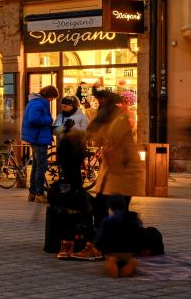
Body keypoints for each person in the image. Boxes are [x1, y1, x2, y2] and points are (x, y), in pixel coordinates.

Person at [45, 128, 101, 259]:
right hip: (73, 187)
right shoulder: (72, 156)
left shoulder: (59, 188)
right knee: (84, 206)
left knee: (76, 204)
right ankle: (85, 242)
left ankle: (68, 241)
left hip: (70, 186)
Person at [90, 88, 143, 214]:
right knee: (103, 209)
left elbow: (109, 139)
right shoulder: (108, 117)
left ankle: (111, 231)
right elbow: (97, 140)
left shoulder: (118, 118)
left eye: (100, 100)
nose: (98, 103)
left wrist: (97, 128)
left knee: (112, 210)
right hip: (113, 172)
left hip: (122, 171)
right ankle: (106, 231)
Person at [21, 85, 58, 203]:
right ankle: (39, 193)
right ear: (48, 95)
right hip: (38, 138)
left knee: (37, 166)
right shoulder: (38, 103)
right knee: (41, 166)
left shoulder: (35, 102)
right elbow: (33, 119)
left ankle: (32, 193)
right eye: (52, 98)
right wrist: (49, 120)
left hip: (37, 137)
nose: (52, 100)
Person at [95, 196, 145, 277]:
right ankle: (130, 262)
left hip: (113, 251)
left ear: (111, 207)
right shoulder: (134, 218)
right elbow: (141, 234)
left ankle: (112, 260)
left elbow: (100, 236)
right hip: (130, 251)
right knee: (126, 261)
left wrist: (99, 247)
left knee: (110, 259)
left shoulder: (107, 220)